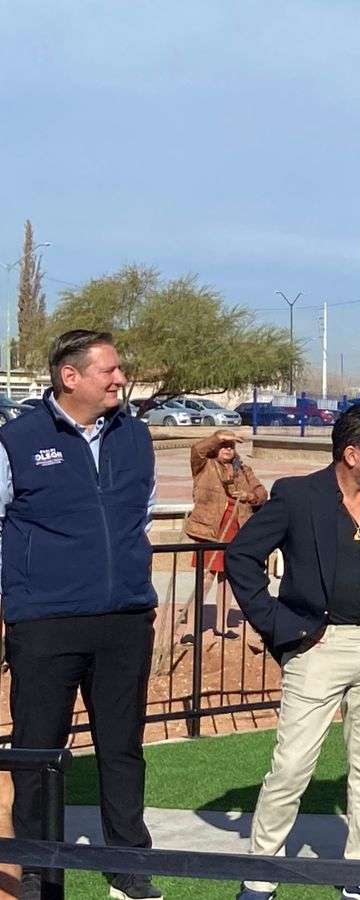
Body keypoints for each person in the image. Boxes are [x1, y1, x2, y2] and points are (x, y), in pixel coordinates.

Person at [225, 405, 360, 900]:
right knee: (291, 767)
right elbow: (241, 556)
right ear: (351, 454)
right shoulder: (297, 496)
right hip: (317, 649)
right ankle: (259, 876)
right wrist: (279, 625)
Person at [1, 330, 162, 900]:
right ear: (70, 377)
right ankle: (40, 870)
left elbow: (141, 515)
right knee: (38, 752)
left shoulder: (135, 436)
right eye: (109, 370)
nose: (121, 379)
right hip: (45, 623)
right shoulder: (17, 440)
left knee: (122, 747)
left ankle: (128, 865)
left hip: (125, 621)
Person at [182, 429, 267, 640]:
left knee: (227, 578)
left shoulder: (243, 469)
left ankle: (221, 625)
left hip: (236, 529)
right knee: (206, 578)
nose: (228, 449)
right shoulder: (204, 465)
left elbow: (262, 493)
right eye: (224, 445)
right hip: (211, 530)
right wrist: (218, 437)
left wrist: (249, 496)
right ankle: (190, 629)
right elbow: (197, 450)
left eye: (231, 446)